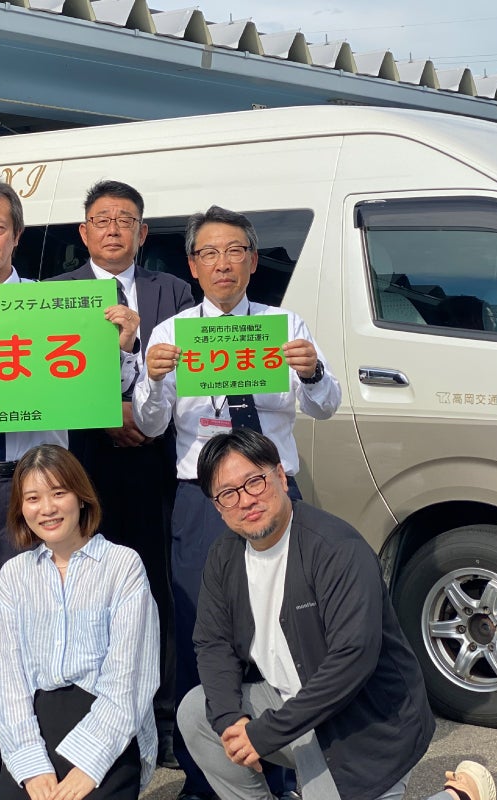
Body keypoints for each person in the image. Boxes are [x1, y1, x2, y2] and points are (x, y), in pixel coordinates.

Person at [0, 173, 140, 800]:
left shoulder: (58, 308)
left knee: (41, 631)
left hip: (36, 487)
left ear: (17, 235)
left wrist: (122, 348)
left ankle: (34, 765)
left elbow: (106, 392)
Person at [132, 205, 341, 800]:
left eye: (234, 251)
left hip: (275, 493)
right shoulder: (171, 334)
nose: (222, 263)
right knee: (202, 626)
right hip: (202, 499)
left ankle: (287, 766)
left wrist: (313, 372)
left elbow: (326, 405)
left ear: (252, 261)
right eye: (210, 253)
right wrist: (152, 380)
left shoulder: (284, 323)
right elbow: (150, 425)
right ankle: (206, 775)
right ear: (193, 266)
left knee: (285, 626)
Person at [177, 429, 436, 800]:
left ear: (281, 477)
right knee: (196, 713)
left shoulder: (336, 548)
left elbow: (353, 659)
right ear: (217, 507)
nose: (246, 500)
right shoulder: (224, 555)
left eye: (254, 482)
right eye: (228, 494)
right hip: (290, 708)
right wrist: (232, 721)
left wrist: (263, 735)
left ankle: (458, 793)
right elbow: (213, 643)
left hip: (363, 724)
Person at [46, 179, 195, 768]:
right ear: (84, 232)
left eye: (125, 220)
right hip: (82, 465)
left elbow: (187, 372)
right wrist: (109, 413)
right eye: (102, 220)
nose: (113, 229)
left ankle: (165, 718)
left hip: (155, 464)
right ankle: (94, 718)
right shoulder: (55, 294)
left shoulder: (172, 290)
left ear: (143, 231)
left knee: (157, 591)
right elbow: (45, 379)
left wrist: (144, 413)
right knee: (88, 590)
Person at [0, 444, 160, 800]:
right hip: (35, 728)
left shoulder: (123, 566)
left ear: (81, 497)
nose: (47, 508)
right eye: (32, 498)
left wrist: (89, 765)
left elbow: (131, 678)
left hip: (108, 727)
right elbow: (5, 680)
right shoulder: (14, 576)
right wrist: (31, 765)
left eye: (58, 493)